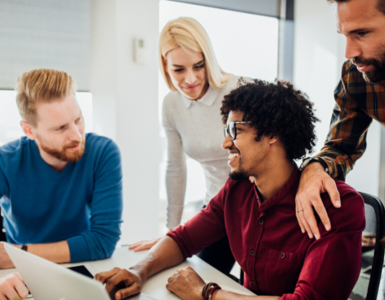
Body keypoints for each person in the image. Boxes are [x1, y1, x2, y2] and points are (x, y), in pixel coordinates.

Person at [96, 80, 364, 300]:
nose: (225, 143)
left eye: (235, 130)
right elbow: (183, 239)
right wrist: (137, 272)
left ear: (272, 134)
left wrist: (207, 293)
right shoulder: (238, 189)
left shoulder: (336, 207)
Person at [0, 69, 123, 299]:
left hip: (84, 270)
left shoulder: (102, 152)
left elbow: (104, 241)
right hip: (21, 276)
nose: (77, 136)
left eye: (78, 119)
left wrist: (20, 253)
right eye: (60, 128)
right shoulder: (1, 162)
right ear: (29, 130)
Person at [129, 17, 249, 276]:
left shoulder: (240, 89)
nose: (191, 79)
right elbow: (175, 169)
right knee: (195, 278)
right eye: (179, 69)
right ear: (165, 66)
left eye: (198, 66)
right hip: (217, 211)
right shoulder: (171, 105)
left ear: (208, 59)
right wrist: (172, 234)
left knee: (252, 287)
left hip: (256, 209)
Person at [295, 0, 385, 241]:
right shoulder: (355, 76)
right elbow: (340, 147)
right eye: (345, 35)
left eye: (362, 33)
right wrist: (314, 169)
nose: (349, 53)